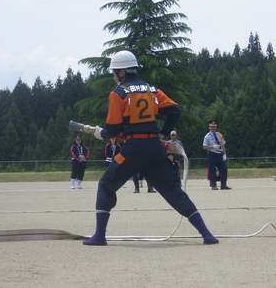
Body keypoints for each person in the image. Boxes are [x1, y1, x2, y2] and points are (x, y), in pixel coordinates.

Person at [83, 50, 218, 245]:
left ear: (122, 72)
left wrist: (101, 133)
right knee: (173, 190)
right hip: (154, 148)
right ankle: (207, 235)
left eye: (114, 72)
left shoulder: (118, 94)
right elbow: (175, 110)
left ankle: (99, 236)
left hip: (132, 150)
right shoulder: (151, 89)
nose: (113, 76)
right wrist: (163, 131)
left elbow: (113, 129)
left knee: (106, 184)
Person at [202, 120, 232, 190]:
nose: (213, 128)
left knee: (223, 169)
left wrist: (224, 154)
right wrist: (212, 147)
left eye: (214, 127)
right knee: (212, 169)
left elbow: (223, 145)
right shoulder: (207, 136)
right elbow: (204, 147)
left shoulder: (219, 135)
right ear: (209, 127)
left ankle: (223, 184)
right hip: (212, 154)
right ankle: (213, 184)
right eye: (212, 127)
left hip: (220, 154)